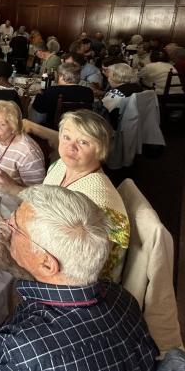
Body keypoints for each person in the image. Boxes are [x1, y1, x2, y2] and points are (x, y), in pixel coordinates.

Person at [0, 184, 156, 371]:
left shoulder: (23, 351)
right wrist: (20, 268)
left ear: (47, 263)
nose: (6, 228)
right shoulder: (123, 299)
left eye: (15, 228)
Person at [23, 110, 130, 281]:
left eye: (83, 142)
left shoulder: (101, 203)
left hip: (74, 281)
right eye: (66, 137)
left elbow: (87, 269)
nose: (70, 147)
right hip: (49, 252)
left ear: (100, 151)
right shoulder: (60, 166)